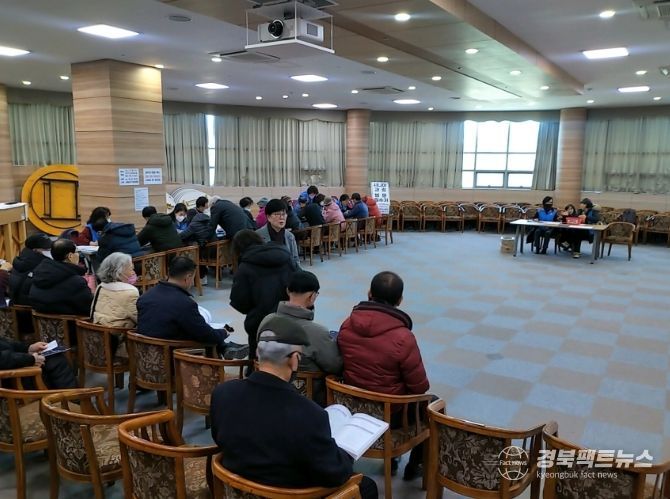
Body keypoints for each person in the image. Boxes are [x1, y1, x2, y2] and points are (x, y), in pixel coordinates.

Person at [210, 316, 378, 499]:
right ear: (294, 359)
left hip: (237, 484)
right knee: (367, 486)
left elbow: (219, 439)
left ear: (258, 353)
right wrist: (346, 454)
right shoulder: (309, 415)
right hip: (289, 491)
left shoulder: (222, 394)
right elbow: (334, 475)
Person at [338, 271, 430, 481]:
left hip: (351, 405)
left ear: (369, 293)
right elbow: (419, 387)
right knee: (432, 404)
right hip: (390, 414)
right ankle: (416, 466)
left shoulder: (347, 324)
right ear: (400, 300)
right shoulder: (403, 337)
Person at [137, 256, 248, 359]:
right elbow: (206, 335)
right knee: (207, 336)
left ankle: (226, 347)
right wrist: (223, 332)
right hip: (173, 357)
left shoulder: (145, 297)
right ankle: (224, 348)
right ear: (188, 277)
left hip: (145, 357)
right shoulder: (184, 303)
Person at [258, 271, 342, 406]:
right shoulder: (317, 332)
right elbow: (335, 366)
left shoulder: (267, 321)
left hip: (266, 392)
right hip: (309, 400)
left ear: (287, 291)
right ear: (312, 296)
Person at [230, 230, 293, 363]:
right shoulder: (284, 256)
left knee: (258, 358)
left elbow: (239, 301)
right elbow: (299, 282)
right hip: (289, 314)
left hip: (260, 322)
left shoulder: (245, 267)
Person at [29, 238, 93, 316]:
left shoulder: (39, 273)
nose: (78, 255)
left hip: (40, 322)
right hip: (71, 322)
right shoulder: (76, 282)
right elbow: (89, 308)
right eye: (77, 252)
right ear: (70, 256)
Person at [0, 337, 78, 389]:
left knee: (53, 357)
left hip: (14, 365)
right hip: (12, 379)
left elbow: (3, 344)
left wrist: (28, 348)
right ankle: (72, 400)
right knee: (54, 360)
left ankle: (70, 400)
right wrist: (31, 359)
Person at [91, 252, 138, 329]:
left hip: (98, 330)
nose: (133, 273)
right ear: (120, 271)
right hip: (118, 334)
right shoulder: (130, 292)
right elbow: (139, 318)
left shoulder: (100, 287)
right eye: (131, 269)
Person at [256, 199, 301, 270]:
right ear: (268, 217)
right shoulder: (258, 236)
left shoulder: (289, 236)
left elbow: (295, 260)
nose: (282, 217)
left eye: (284, 214)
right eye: (277, 214)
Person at [9, 233, 53, 306]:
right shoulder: (41, 264)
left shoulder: (22, 260)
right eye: (47, 249)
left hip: (17, 305)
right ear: (35, 250)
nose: (50, 251)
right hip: (33, 307)